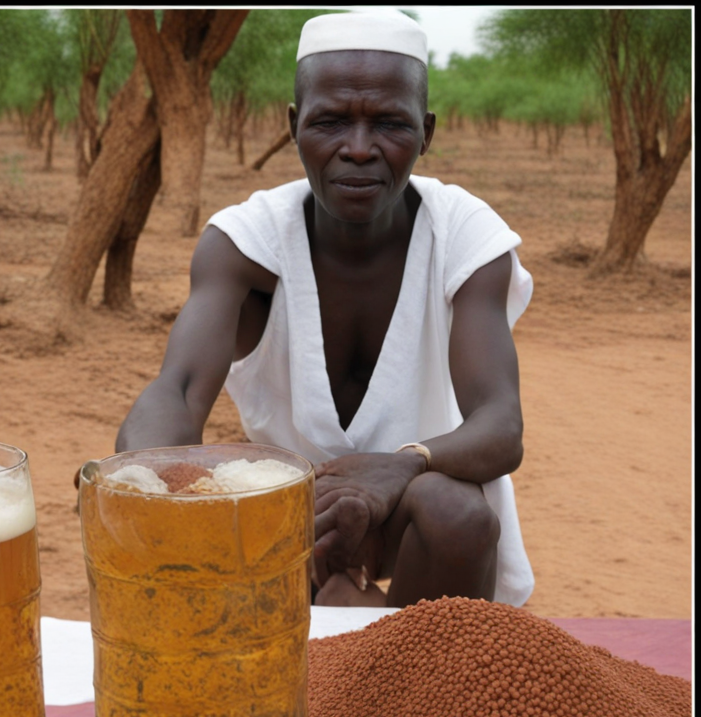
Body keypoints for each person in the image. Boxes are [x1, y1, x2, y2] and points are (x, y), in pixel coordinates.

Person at [115, 8, 534, 609]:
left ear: (427, 132)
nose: (358, 149)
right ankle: (322, 605)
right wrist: (144, 480)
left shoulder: (465, 235)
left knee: (456, 511)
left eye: (390, 124)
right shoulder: (247, 242)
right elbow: (177, 392)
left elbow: (501, 425)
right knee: (170, 502)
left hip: (413, 509)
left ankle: (407, 684)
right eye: (331, 122)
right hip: (286, 514)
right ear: (293, 127)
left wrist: (403, 466)